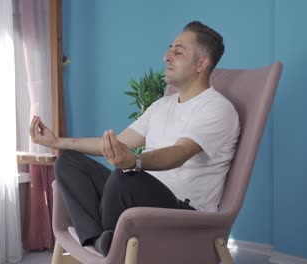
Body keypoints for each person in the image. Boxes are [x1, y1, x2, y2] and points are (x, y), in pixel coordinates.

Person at [30, 21, 240, 256]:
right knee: (68, 162)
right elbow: (119, 143)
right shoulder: (162, 105)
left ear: (202, 63)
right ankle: (100, 240)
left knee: (125, 178)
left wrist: (135, 162)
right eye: (170, 49)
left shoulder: (217, 108)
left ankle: (107, 243)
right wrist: (56, 142)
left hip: (183, 213)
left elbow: (179, 153)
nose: (166, 56)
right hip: (136, 200)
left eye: (178, 51)